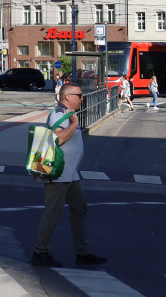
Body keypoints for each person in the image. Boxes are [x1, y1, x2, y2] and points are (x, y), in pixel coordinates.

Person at [31, 83, 107, 268]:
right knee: (52, 213)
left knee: (79, 208)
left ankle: (83, 253)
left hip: (70, 174)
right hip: (58, 173)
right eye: (79, 95)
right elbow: (59, 138)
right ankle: (40, 252)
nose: (82, 98)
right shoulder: (59, 114)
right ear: (67, 97)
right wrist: (74, 123)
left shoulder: (66, 113)